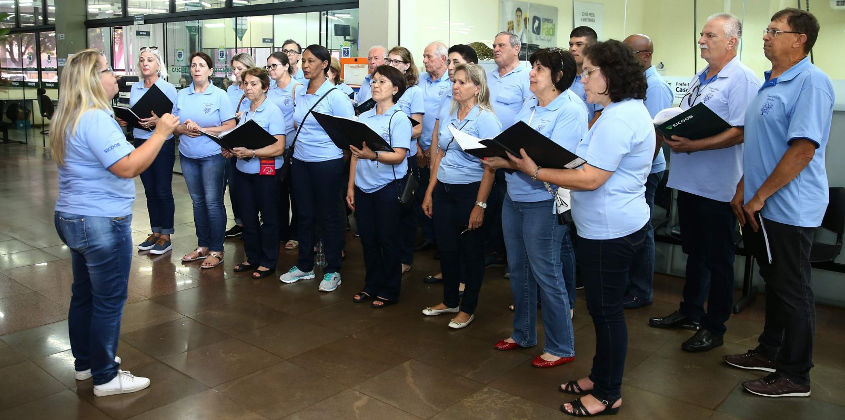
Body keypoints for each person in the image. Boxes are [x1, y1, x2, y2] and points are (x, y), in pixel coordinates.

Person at [506, 40, 653, 416]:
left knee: (607, 315)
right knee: (601, 313)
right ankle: (598, 376)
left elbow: (589, 178)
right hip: (605, 226)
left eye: (589, 73)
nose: (582, 80)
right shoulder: (616, 112)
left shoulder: (619, 118)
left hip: (610, 230)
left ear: (612, 76)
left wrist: (535, 171)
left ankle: (607, 393)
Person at [51, 49, 179, 396]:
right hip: (100, 221)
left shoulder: (71, 114)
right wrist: (162, 132)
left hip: (73, 215)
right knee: (108, 299)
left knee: (85, 295)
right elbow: (127, 166)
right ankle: (106, 376)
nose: (115, 77)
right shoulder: (94, 117)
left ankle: (86, 363)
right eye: (108, 71)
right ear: (92, 80)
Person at [725, 8, 833, 398]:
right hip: (760, 204)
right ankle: (770, 351)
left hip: (788, 207)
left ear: (799, 38)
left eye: (774, 31)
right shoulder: (771, 84)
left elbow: (802, 150)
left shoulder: (811, 83)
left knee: (793, 288)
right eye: (766, 30)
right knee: (775, 283)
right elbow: (762, 147)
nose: (766, 37)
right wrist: (742, 187)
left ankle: (796, 374)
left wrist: (760, 195)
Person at [649, 13, 761, 353]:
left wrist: (695, 144)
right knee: (695, 252)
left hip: (719, 186)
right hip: (690, 181)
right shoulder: (702, 77)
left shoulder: (742, 79)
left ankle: (716, 326)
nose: (702, 40)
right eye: (701, 34)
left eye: (710, 35)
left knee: (718, 258)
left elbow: (742, 132)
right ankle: (690, 311)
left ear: (731, 41)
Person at [483, 48, 586, 368]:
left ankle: (561, 346)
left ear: (557, 76)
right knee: (519, 271)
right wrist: (498, 155)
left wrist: (507, 161)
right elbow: (516, 144)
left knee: (547, 274)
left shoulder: (571, 109)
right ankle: (523, 333)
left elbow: (560, 163)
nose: (532, 72)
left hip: (545, 200)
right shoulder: (530, 102)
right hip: (515, 196)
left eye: (539, 68)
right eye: (533, 67)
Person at [420, 63, 501, 329]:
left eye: (462, 82)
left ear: (477, 88)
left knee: (471, 253)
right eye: (454, 81)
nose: (455, 86)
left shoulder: (485, 118)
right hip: (444, 189)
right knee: (447, 249)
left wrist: (480, 205)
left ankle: (468, 308)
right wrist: (430, 191)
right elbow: (440, 154)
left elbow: (491, 164)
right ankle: (450, 300)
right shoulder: (452, 113)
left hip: (470, 191)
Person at [279, 44, 355, 292]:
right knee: (304, 213)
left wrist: (337, 164)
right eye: (303, 61)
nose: (305, 66)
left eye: (311, 61)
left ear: (325, 65)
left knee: (330, 216)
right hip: (301, 161)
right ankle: (304, 266)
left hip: (327, 164)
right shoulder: (299, 92)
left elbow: (348, 138)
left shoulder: (336, 97)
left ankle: (333, 270)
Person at [346, 65, 412, 307]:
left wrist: (371, 155)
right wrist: (351, 187)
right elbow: (355, 154)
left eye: (382, 82)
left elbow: (399, 156)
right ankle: (371, 285)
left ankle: (390, 289)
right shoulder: (363, 117)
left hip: (388, 186)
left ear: (395, 89)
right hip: (363, 187)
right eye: (374, 81)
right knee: (369, 240)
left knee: (388, 239)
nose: (375, 85)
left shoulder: (399, 118)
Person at [621, 34, 674, 309]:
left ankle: (641, 290)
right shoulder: (637, 83)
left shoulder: (655, 87)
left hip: (646, 172)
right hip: (635, 170)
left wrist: (640, 173)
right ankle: (631, 286)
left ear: (645, 56)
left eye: (628, 53)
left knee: (642, 229)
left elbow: (655, 135)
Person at [173, 52, 237, 269]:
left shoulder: (220, 95)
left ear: (210, 71)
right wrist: (181, 128)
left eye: (201, 65)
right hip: (188, 155)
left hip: (212, 156)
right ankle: (203, 246)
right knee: (198, 202)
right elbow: (173, 125)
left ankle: (217, 249)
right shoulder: (181, 95)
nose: (197, 69)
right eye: (193, 65)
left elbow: (230, 126)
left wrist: (203, 129)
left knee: (212, 202)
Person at [423, 44, 478, 285]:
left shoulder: (480, 110)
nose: (451, 68)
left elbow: (487, 163)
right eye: (450, 64)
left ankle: (465, 280)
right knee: (446, 237)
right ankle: (450, 277)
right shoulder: (449, 94)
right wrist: (433, 154)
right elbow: (439, 131)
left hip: (467, 181)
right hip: (443, 170)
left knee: (466, 237)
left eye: (456, 63)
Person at [225, 67, 287, 279]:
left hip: (266, 171)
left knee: (268, 217)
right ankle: (252, 258)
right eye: (245, 84)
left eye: (253, 84)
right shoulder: (246, 110)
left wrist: (251, 152)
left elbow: (279, 148)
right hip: (244, 171)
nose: (248, 88)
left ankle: (268, 261)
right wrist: (231, 148)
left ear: (265, 87)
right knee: (248, 217)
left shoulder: (272, 111)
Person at [120, 46, 178, 255]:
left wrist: (158, 121)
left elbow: (173, 118)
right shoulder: (135, 88)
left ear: (158, 65)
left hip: (162, 143)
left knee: (163, 189)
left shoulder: (168, 88)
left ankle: (166, 236)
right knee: (150, 190)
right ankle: (155, 231)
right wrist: (126, 119)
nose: (145, 63)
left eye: (150, 60)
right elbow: (134, 113)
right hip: (141, 141)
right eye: (142, 60)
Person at [486, 31, 533, 269]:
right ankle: (496, 250)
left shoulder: (526, 76)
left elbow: (529, 116)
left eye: (501, 45)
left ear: (516, 48)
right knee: (492, 204)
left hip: (513, 153)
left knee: (512, 203)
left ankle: (514, 258)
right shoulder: (489, 76)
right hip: (488, 150)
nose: (495, 49)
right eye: (494, 45)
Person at [385, 45, 425, 274]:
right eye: (389, 61)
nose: (392, 65)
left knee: (405, 210)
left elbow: (418, 129)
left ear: (408, 65)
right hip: (383, 156)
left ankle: (405, 258)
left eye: (397, 61)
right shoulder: (388, 88)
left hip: (404, 157)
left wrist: (390, 132)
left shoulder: (413, 92)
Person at [416, 41, 451, 251]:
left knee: (438, 194)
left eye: (429, 56)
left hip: (441, 150)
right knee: (422, 193)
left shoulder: (451, 84)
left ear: (443, 59)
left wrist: (433, 149)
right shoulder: (420, 80)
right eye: (424, 56)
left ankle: (441, 241)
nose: (425, 60)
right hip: (420, 146)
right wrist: (419, 146)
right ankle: (428, 236)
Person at [266, 51, 303, 251]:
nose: (271, 70)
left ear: (286, 66)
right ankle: (281, 231)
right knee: (277, 192)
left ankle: (296, 233)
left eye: (274, 66)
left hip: (292, 148)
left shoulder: (297, 88)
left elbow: (299, 119)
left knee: (295, 193)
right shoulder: (268, 90)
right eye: (268, 67)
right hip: (272, 149)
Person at [223, 52, 255, 239]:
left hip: (250, 140)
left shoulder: (256, 88)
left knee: (251, 185)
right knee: (234, 184)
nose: (235, 73)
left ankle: (253, 221)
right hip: (232, 140)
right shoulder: (231, 90)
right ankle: (240, 222)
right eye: (234, 69)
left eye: (240, 69)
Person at [568, 26, 602, 123]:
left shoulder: (599, 78)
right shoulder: (565, 75)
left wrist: (583, 138)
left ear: (592, 48)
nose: (573, 48)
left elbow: (599, 116)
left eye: (579, 44)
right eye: (571, 44)